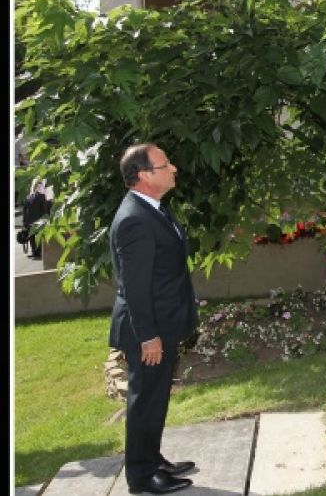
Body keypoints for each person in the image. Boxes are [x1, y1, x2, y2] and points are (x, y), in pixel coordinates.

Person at [109, 143, 199, 494]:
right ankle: (142, 475)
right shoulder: (134, 219)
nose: (173, 168)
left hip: (161, 324)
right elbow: (134, 287)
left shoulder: (152, 208)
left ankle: (151, 458)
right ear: (144, 175)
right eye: (165, 165)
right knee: (145, 399)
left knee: (155, 397)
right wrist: (148, 336)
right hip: (147, 331)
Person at [22, 178, 51, 259]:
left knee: (35, 237)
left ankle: (36, 252)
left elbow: (43, 210)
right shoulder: (34, 196)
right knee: (34, 236)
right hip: (34, 221)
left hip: (34, 221)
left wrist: (24, 222)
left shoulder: (35, 196)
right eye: (36, 184)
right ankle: (36, 251)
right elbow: (25, 210)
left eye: (38, 184)